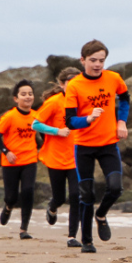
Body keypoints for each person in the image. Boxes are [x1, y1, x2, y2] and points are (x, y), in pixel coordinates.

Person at [63, 40, 131, 253]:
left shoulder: (114, 78)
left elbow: (125, 98)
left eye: (101, 60)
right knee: (87, 194)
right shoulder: (74, 85)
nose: (98, 64)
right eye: (93, 60)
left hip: (108, 144)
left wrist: (121, 121)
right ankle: (87, 241)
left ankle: (101, 215)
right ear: (82, 60)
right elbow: (70, 121)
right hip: (83, 146)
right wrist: (89, 119)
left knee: (115, 187)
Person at [0, 80, 66, 239]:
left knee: (28, 191)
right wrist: (7, 151)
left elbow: (44, 135)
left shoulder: (36, 116)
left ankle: (23, 229)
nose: (27, 97)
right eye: (23, 94)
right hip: (10, 162)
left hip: (30, 160)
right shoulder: (10, 116)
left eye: (30, 94)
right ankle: (8, 206)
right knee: (11, 197)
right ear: (15, 98)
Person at [34, 67, 82, 247]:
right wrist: (57, 131)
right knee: (60, 197)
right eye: (70, 83)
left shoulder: (83, 102)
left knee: (77, 195)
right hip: (55, 157)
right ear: (62, 85)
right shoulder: (54, 102)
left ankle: (71, 236)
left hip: (76, 157)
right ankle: (53, 207)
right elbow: (35, 124)